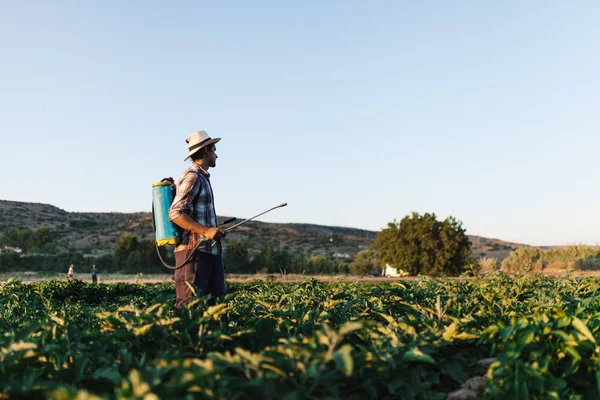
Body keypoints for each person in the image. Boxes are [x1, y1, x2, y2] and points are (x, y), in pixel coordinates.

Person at [168, 130, 226, 308]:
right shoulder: (193, 176)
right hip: (194, 254)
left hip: (209, 253)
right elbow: (175, 213)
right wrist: (206, 230)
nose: (216, 154)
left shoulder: (203, 177)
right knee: (191, 309)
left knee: (216, 309)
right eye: (214, 149)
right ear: (207, 150)